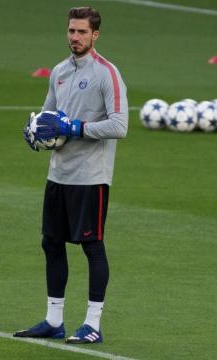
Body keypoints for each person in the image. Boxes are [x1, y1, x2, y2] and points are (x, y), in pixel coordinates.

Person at [14, 7, 128, 344]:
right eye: (71, 31)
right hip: (59, 175)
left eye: (81, 32)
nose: (74, 37)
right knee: (51, 243)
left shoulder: (107, 73)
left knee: (92, 246)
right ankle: (53, 321)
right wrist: (36, 132)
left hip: (90, 177)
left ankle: (92, 324)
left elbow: (120, 125)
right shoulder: (59, 72)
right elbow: (49, 115)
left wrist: (75, 127)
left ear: (95, 35)